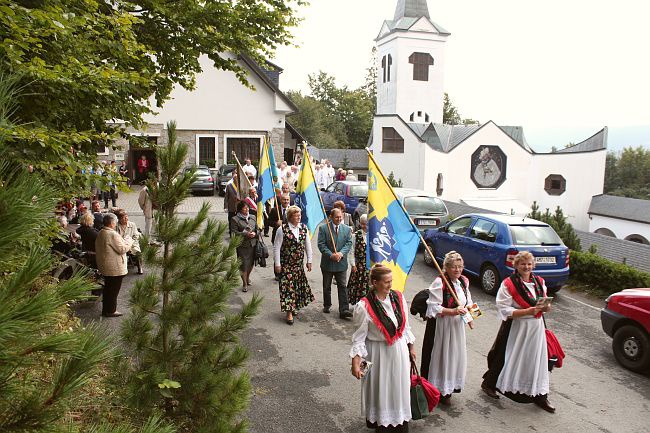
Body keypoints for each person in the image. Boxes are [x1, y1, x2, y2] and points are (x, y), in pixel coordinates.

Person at [481, 251, 556, 413]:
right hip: (516, 326)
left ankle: (540, 395)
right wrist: (527, 311)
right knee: (505, 356)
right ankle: (489, 383)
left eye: (529, 264)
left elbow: (544, 301)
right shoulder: (509, 284)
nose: (526, 267)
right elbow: (503, 308)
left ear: (533, 265)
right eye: (523, 264)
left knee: (537, 360)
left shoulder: (539, 281)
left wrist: (546, 307)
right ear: (516, 265)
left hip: (536, 326)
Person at [350, 265, 416, 432]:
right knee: (382, 389)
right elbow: (359, 338)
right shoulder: (364, 306)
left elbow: (406, 327)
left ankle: (400, 423)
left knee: (398, 388)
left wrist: (411, 348)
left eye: (391, 281)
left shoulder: (398, 298)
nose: (390, 285)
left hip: (399, 352)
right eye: (386, 282)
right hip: (378, 354)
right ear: (375, 282)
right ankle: (382, 424)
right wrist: (355, 362)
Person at [420, 251, 474, 405]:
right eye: (454, 267)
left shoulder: (464, 281)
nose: (457, 270)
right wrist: (453, 311)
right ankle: (438, 389)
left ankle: (449, 387)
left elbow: (468, 302)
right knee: (443, 356)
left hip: (457, 327)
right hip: (443, 327)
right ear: (446, 268)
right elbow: (433, 308)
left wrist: (471, 316)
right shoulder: (440, 283)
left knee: (454, 356)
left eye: (460, 267)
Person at [273, 205, 314, 325]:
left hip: (298, 265)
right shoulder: (282, 229)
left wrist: (309, 260)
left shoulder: (303, 228)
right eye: (296, 216)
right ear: (290, 217)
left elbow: (308, 246)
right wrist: (277, 264)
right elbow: (276, 247)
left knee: (296, 287)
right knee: (288, 288)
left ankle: (294, 306)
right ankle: (289, 312)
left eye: (299, 215)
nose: (299, 217)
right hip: (286, 265)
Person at [317, 208, 353, 319]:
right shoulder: (324, 228)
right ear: (331, 217)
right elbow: (321, 244)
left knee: (342, 286)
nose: (339, 219)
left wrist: (341, 254)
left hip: (341, 263)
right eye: (336, 217)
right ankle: (327, 305)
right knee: (326, 286)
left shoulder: (347, 229)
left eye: (340, 217)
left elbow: (349, 243)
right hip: (328, 263)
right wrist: (331, 254)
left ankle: (344, 309)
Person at [95, 213, 133, 317]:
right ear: (112, 223)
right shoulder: (112, 234)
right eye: (115, 222)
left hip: (105, 265)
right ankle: (111, 310)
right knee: (113, 290)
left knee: (108, 289)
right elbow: (122, 249)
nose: (116, 223)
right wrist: (129, 241)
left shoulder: (101, 232)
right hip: (114, 267)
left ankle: (106, 309)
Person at [231, 201, 258, 292]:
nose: (247, 210)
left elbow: (258, 229)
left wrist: (255, 233)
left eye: (248, 208)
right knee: (243, 265)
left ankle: (247, 277)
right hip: (242, 245)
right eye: (244, 208)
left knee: (250, 263)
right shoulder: (235, 219)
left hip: (252, 244)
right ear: (240, 209)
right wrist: (245, 234)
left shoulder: (253, 217)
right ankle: (244, 283)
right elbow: (234, 233)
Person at [347, 214, 370, 305]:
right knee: (357, 288)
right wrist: (353, 264)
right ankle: (358, 306)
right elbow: (351, 251)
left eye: (367, 224)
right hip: (359, 266)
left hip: (369, 267)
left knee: (368, 288)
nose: (365, 226)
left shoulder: (374, 236)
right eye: (363, 224)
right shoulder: (355, 235)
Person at [115, 209, 143, 274]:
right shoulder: (116, 226)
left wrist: (130, 243)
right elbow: (115, 237)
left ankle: (140, 267)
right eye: (124, 217)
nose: (126, 218)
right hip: (120, 243)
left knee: (137, 251)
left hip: (132, 243)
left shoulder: (132, 225)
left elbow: (136, 236)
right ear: (119, 219)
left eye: (126, 216)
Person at [224, 172, 240, 236]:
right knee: (231, 220)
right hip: (231, 207)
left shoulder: (240, 186)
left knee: (238, 221)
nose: (236, 179)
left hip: (239, 207)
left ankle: (237, 233)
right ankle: (231, 232)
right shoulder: (229, 186)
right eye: (235, 178)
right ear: (233, 179)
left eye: (237, 178)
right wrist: (226, 207)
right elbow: (226, 197)